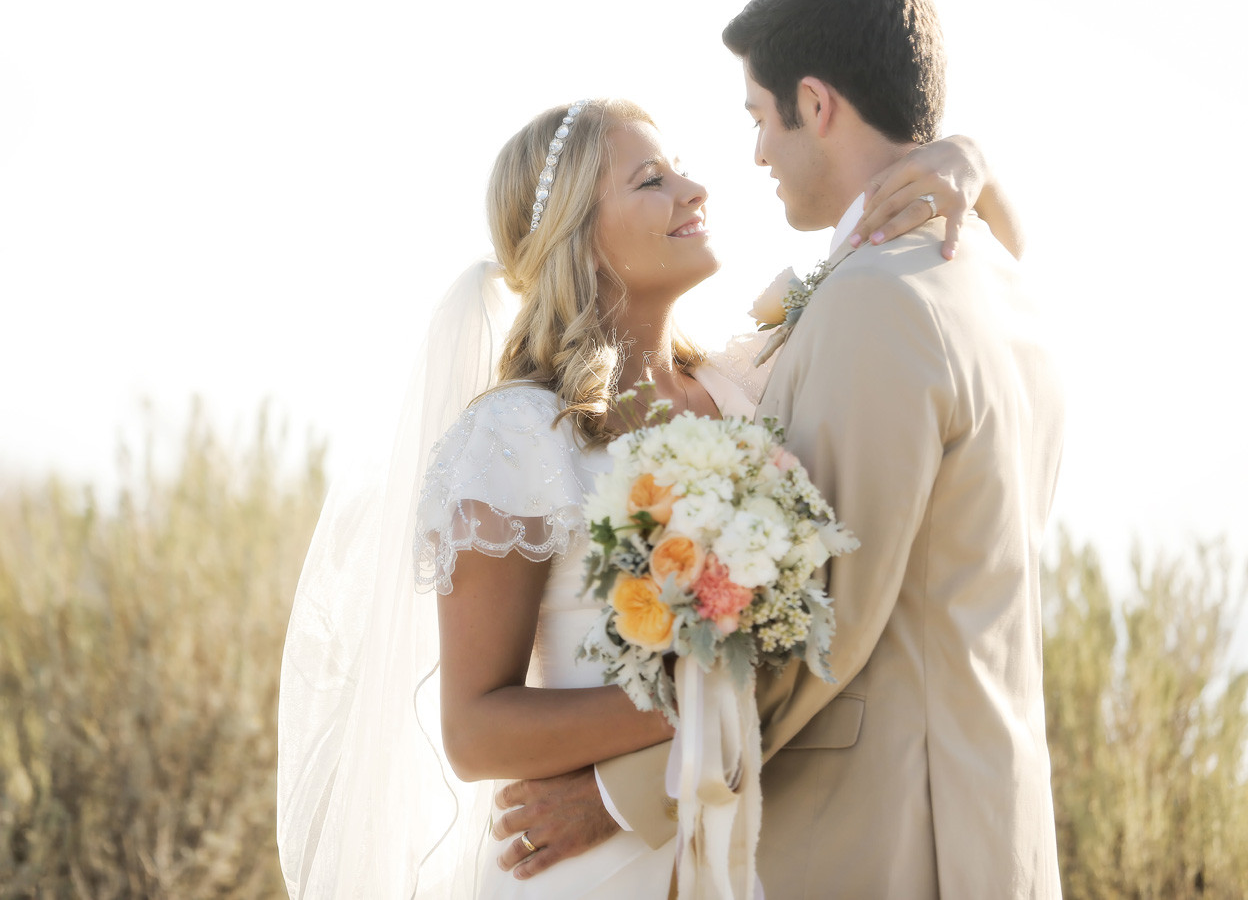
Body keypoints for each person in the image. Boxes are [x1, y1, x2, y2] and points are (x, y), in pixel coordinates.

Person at [276, 88, 1027, 896]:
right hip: (583, 869)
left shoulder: (746, 391)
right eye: (650, 183)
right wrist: (703, 696)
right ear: (580, 237)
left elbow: (976, 269)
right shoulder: (519, 435)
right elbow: (474, 728)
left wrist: (969, 163)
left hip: (738, 852)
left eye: (681, 172)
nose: (693, 192)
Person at [508, 0, 1065, 898]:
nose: (756, 150)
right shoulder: (1000, 287)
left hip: (887, 836)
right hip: (989, 820)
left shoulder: (879, 300)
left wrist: (616, 798)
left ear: (816, 102)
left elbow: (822, 618)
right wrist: (970, 158)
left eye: (762, 115)